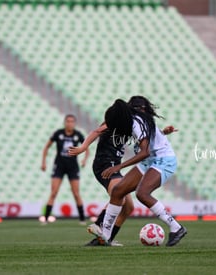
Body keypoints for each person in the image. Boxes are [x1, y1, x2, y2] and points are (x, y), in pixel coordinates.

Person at [89, 96, 187, 246]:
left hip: (163, 160)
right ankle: (106, 236)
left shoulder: (134, 122)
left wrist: (119, 167)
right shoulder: (136, 120)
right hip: (149, 161)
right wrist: (163, 132)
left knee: (142, 193)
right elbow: (149, 137)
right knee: (117, 191)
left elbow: (144, 152)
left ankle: (176, 227)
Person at [69, 114, 177, 246]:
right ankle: (98, 226)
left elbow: (143, 137)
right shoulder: (113, 123)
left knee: (128, 208)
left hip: (115, 167)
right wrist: (83, 147)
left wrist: (163, 132)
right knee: (119, 195)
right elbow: (96, 131)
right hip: (104, 165)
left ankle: (105, 240)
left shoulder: (129, 126)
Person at [41, 114, 89, 225]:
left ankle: (82, 219)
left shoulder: (78, 135)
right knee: (53, 192)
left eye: (72, 121)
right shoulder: (58, 133)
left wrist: (84, 160)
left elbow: (86, 149)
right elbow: (46, 147)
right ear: (64, 122)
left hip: (73, 167)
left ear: (75, 123)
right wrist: (43, 162)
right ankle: (46, 219)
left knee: (76, 193)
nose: (69, 123)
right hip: (59, 166)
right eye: (68, 121)